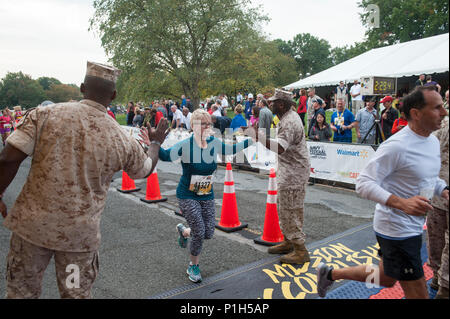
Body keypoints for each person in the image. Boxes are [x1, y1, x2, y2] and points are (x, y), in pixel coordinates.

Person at [0, 61, 168, 299]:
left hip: (31, 230)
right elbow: (145, 169)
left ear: (81, 88)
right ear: (113, 95)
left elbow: (8, 157)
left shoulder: (45, 115)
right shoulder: (121, 138)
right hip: (78, 240)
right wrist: (155, 143)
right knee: (74, 294)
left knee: (21, 293)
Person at [316, 85, 449, 299]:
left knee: (386, 278)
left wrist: (443, 189)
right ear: (416, 114)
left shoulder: (432, 141)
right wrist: (402, 203)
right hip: (396, 229)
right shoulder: (396, 146)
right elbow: (363, 183)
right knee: (419, 294)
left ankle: (330, 273)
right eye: (437, 108)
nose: (444, 113)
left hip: (412, 226)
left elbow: (428, 177)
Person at [148, 109, 254, 283]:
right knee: (199, 231)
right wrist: (154, 143)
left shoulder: (213, 142)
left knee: (208, 232)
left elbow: (232, 149)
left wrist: (252, 138)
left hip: (206, 194)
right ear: (193, 126)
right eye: (202, 123)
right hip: (187, 195)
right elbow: (166, 156)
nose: (206, 126)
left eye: (208, 123)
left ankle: (184, 231)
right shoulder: (186, 145)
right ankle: (193, 265)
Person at [251, 89, 311, 265]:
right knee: (285, 207)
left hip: (294, 172)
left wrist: (259, 139)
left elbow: (281, 148)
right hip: (290, 169)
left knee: (290, 209)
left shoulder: (289, 121)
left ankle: (300, 249)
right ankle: (289, 241)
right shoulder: (287, 118)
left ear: (282, 104)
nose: (270, 105)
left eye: (273, 102)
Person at [427, 115, 449, 299]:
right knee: (438, 236)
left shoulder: (441, 124)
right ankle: (443, 286)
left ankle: (437, 277)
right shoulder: (443, 123)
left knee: (436, 235)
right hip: (439, 189)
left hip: (437, 189)